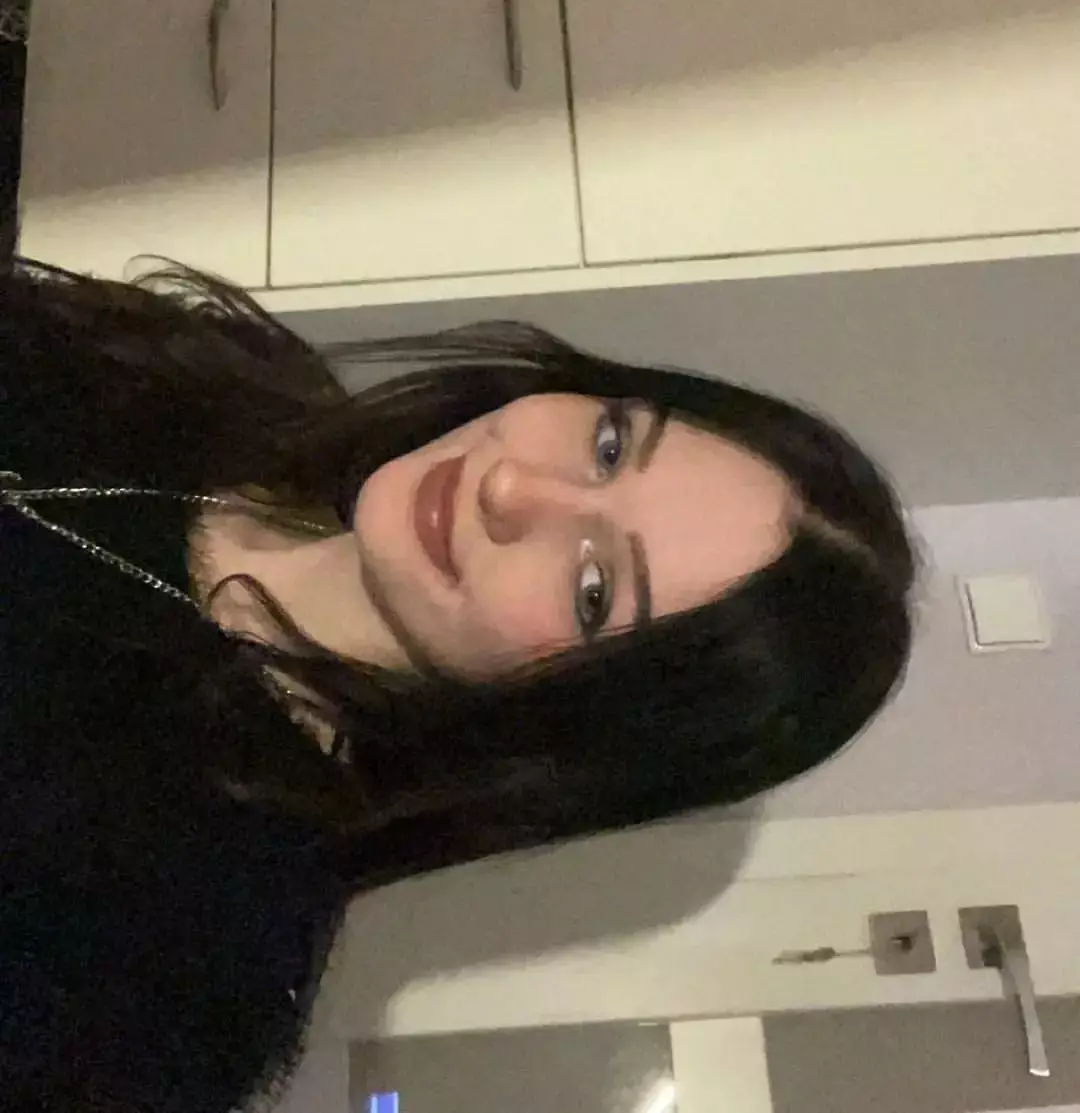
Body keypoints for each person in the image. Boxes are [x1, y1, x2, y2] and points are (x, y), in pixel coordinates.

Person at [0, 257, 916, 1111]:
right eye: (608, 443)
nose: (511, 487)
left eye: (593, 591)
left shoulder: (193, 949)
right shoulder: (238, 376)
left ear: (576, 724)